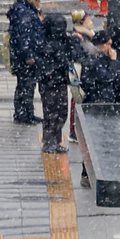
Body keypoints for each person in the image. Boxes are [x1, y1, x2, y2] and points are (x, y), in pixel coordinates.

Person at [35, 12, 84, 155]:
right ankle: (49, 140)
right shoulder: (46, 44)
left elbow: (75, 54)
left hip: (60, 82)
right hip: (50, 83)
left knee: (61, 112)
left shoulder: (62, 41)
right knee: (51, 112)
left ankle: (55, 140)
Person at [7, 0, 45, 126]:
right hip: (25, 57)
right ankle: (23, 114)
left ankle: (26, 113)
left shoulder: (24, 8)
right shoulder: (25, 11)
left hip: (21, 55)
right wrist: (28, 54)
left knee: (26, 85)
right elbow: (25, 35)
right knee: (26, 85)